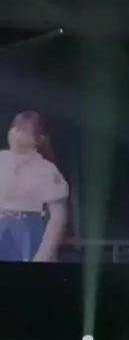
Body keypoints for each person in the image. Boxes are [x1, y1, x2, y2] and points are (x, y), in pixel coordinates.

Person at [0, 111, 69, 262]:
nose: (15, 133)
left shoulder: (46, 170)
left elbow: (58, 218)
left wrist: (45, 254)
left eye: (23, 129)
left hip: (28, 234)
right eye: (14, 127)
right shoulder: (2, 160)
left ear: (38, 138)